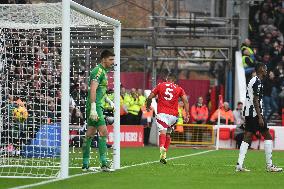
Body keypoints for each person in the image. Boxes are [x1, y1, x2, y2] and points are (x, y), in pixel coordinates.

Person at [236, 63, 282, 172]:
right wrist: (260, 117)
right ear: (261, 69)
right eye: (265, 68)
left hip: (249, 112)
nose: (266, 70)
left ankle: (239, 164)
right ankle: (269, 165)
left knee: (247, 136)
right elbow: (255, 100)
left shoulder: (252, 80)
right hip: (255, 113)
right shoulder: (257, 82)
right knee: (268, 136)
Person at [82, 49, 115, 172]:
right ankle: (104, 164)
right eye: (111, 59)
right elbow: (93, 90)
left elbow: (100, 90)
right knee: (104, 133)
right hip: (95, 107)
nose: (112, 62)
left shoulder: (104, 72)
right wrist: (94, 108)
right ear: (104, 59)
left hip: (98, 105)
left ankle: (85, 164)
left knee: (89, 135)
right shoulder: (98, 71)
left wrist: (108, 100)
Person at [146, 74, 189, 164]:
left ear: (166, 79)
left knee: (163, 132)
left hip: (162, 113)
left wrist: (148, 106)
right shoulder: (179, 88)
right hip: (173, 115)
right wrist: (187, 114)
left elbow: (150, 97)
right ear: (174, 80)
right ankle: (164, 156)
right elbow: (185, 100)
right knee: (168, 134)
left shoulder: (160, 85)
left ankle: (162, 146)